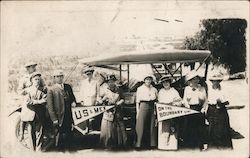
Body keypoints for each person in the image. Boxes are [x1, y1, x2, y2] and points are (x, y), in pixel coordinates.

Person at [46, 70, 77, 150]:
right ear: (54, 78)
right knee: (58, 135)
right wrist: (54, 119)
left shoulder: (68, 87)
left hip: (68, 115)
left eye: (61, 76)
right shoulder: (51, 90)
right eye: (57, 77)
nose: (59, 78)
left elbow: (72, 98)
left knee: (69, 133)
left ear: (63, 77)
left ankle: (69, 150)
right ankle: (59, 151)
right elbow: (50, 106)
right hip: (58, 116)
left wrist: (73, 102)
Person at [19, 72, 47, 151]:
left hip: (40, 114)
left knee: (40, 133)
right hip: (30, 115)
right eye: (35, 79)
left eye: (38, 79)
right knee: (31, 133)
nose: (37, 81)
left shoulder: (43, 90)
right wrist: (38, 102)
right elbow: (28, 101)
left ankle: (39, 150)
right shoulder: (27, 90)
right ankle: (32, 150)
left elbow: (45, 100)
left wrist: (35, 102)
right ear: (31, 80)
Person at [99, 75, 127, 149]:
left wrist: (119, 103)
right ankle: (107, 144)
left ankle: (121, 144)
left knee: (119, 127)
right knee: (108, 128)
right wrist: (103, 100)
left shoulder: (119, 90)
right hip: (108, 112)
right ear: (107, 83)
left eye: (112, 81)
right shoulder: (104, 91)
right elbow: (99, 100)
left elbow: (123, 99)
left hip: (117, 111)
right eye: (109, 82)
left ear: (115, 82)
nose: (111, 83)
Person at [182, 71, 208, 150]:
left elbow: (206, 100)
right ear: (190, 81)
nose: (195, 81)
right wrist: (188, 106)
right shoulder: (187, 89)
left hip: (199, 109)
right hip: (190, 108)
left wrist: (204, 108)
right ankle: (190, 145)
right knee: (190, 127)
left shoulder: (202, 88)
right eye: (193, 79)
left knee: (200, 128)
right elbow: (184, 100)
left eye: (197, 79)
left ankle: (200, 145)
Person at [207, 74, 233, 149]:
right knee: (212, 127)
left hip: (221, 109)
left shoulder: (223, 89)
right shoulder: (209, 89)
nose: (215, 83)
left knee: (221, 128)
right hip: (211, 109)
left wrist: (221, 102)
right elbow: (207, 100)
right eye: (214, 81)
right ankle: (213, 147)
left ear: (219, 81)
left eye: (217, 81)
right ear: (212, 82)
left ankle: (223, 146)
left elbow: (228, 102)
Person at [158, 76, 182, 150]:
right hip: (164, 112)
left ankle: (172, 146)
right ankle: (164, 145)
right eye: (164, 82)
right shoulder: (161, 91)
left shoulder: (174, 91)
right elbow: (159, 102)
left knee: (173, 127)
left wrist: (175, 104)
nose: (166, 84)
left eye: (167, 82)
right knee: (164, 128)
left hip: (172, 111)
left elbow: (179, 101)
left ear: (170, 83)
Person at [135, 75, 158, 149]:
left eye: (149, 79)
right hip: (143, 105)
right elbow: (137, 101)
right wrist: (138, 112)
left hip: (152, 105)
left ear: (151, 80)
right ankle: (138, 144)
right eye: (147, 79)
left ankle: (152, 144)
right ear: (144, 80)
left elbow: (157, 99)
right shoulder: (140, 88)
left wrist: (155, 110)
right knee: (140, 125)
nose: (148, 81)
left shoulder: (154, 89)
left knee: (152, 125)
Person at [79, 66, 100, 132]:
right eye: (87, 74)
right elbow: (81, 91)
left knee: (94, 114)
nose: (89, 76)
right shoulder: (83, 82)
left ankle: (95, 127)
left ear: (92, 74)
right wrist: (81, 100)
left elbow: (98, 92)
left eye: (90, 74)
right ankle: (87, 127)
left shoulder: (96, 82)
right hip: (86, 100)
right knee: (86, 115)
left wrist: (97, 100)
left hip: (93, 100)